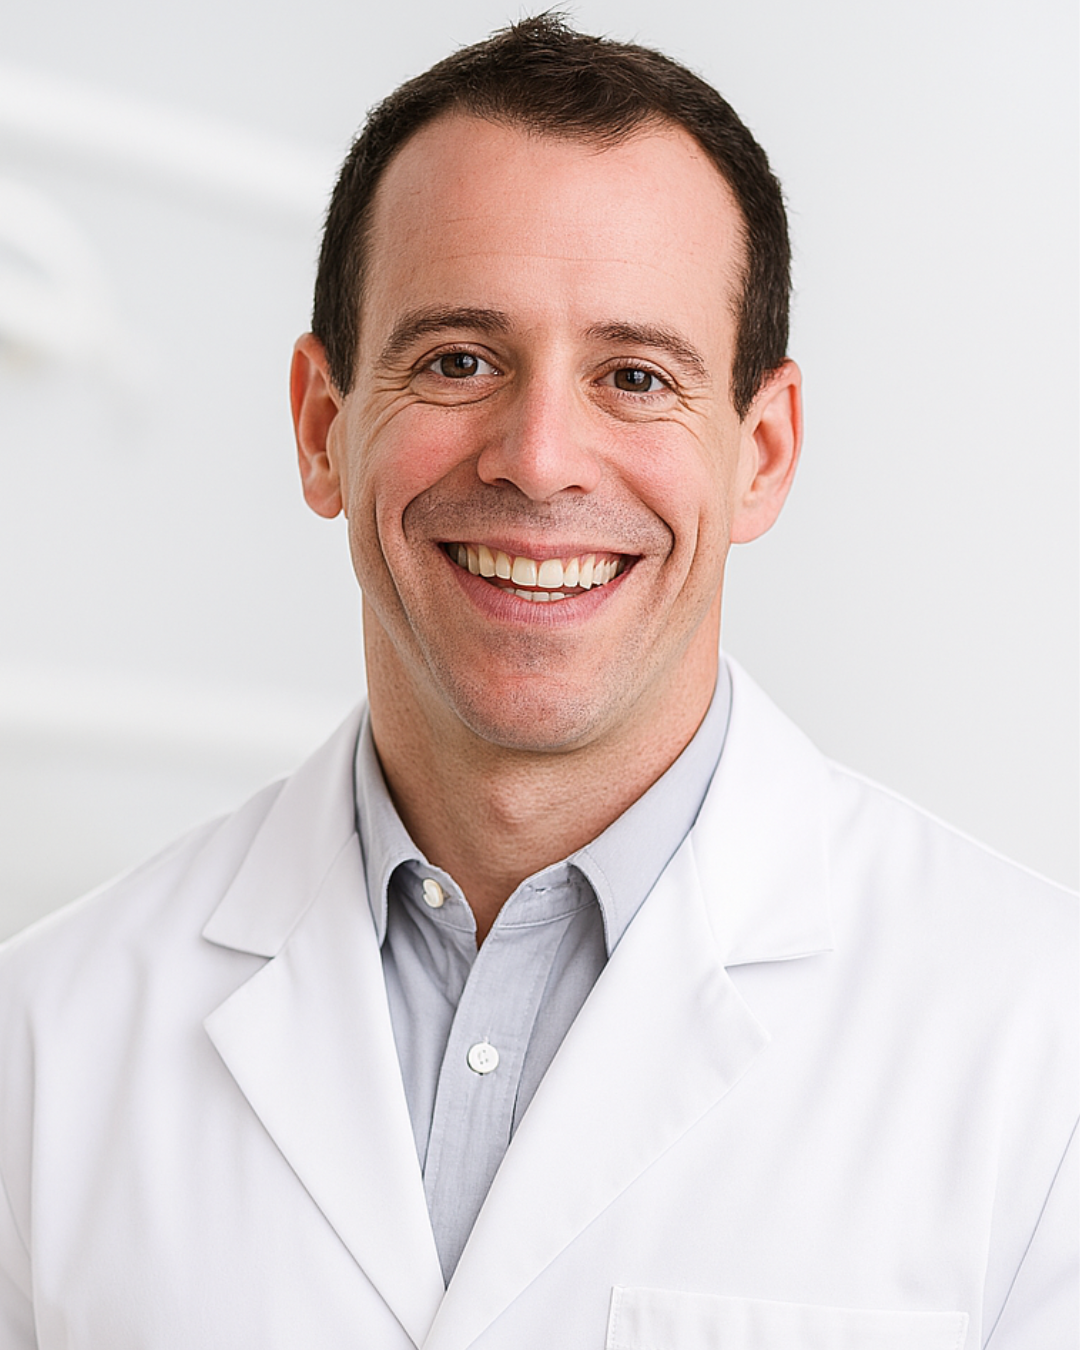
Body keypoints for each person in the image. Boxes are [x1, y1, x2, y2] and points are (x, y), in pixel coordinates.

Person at [0, 16, 1075, 1349]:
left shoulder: (1038, 1047)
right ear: (323, 425)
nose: (542, 455)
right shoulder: (41, 1045)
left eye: (634, 376)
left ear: (766, 451)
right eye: (459, 359)